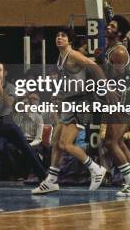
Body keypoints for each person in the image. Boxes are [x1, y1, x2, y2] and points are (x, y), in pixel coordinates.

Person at [33, 28, 107, 195]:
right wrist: (59, 95)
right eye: (57, 35)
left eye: (63, 36)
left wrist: (105, 88)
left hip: (80, 103)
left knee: (65, 144)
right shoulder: (61, 58)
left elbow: (95, 67)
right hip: (69, 102)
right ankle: (51, 180)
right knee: (55, 143)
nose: (59, 38)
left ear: (70, 40)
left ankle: (95, 169)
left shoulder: (73, 55)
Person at [101, 15, 130, 197]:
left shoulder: (119, 52)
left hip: (123, 97)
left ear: (119, 33)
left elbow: (116, 80)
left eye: (112, 26)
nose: (108, 28)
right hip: (122, 96)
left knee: (111, 142)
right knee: (118, 141)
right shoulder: (111, 49)